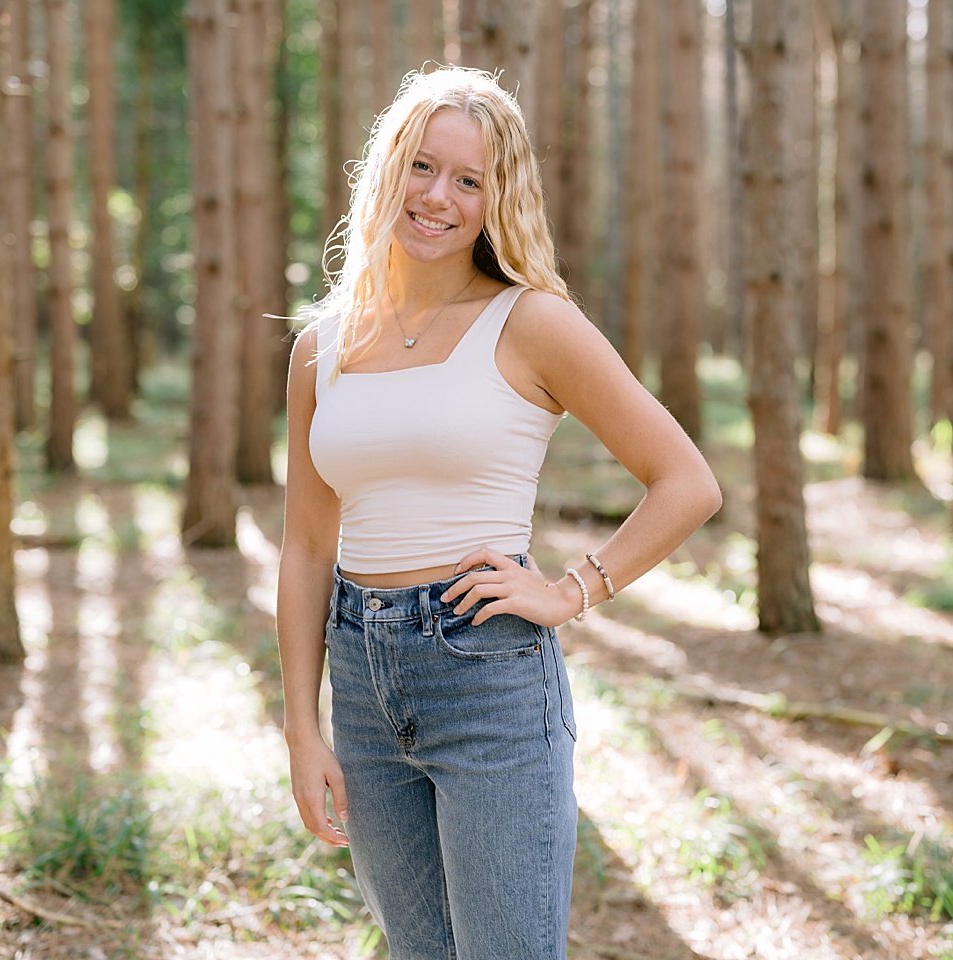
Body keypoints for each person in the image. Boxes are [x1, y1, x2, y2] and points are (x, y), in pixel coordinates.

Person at [276, 65, 721, 960]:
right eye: (423, 166)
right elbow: (305, 543)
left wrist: (573, 589)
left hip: (486, 676)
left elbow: (686, 481)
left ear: (495, 199)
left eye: (469, 180)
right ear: (387, 170)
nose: (439, 196)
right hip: (362, 685)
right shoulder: (320, 345)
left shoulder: (532, 324)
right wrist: (300, 724)